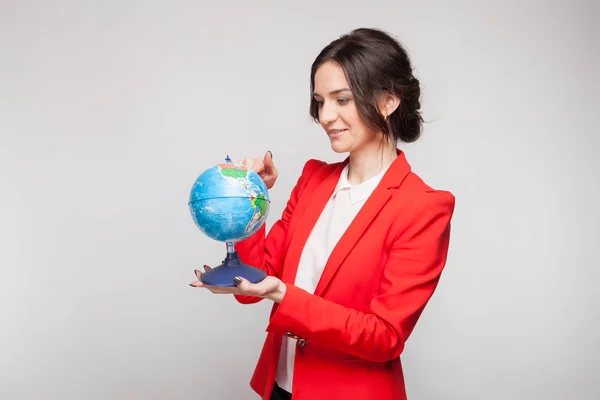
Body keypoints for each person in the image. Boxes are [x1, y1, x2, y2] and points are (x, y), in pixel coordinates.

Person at [190, 27, 455, 400]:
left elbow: (385, 337)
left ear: (388, 100)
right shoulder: (314, 180)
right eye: (320, 101)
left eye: (342, 99)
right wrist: (251, 202)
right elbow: (251, 290)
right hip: (281, 389)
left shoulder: (423, 207)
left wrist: (285, 295)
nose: (326, 115)